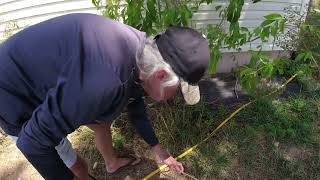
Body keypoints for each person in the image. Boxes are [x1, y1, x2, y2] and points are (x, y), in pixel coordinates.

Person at [0, 13, 209, 180]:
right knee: (79, 168)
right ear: (161, 75)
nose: (172, 98)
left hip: (53, 77)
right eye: (177, 92)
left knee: (101, 120)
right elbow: (32, 143)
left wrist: (157, 149)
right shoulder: (105, 83)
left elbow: (134, 100)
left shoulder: (140, 51)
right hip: (13, 95)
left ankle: (111, 163)